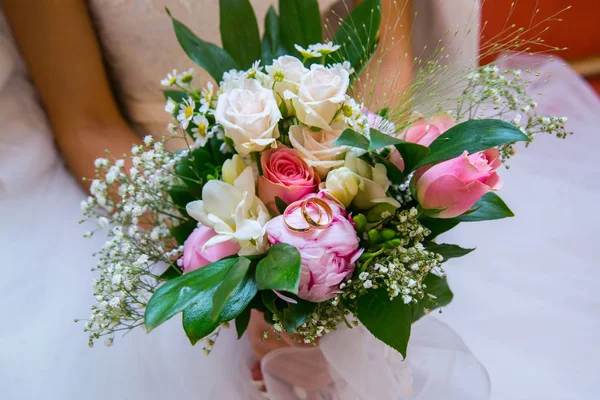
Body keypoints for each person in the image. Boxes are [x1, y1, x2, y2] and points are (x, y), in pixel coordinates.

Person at [0, 1, 486, 398]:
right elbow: (87, 124)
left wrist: (344, 253)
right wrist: (246, 284)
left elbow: (385, 54)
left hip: (346, 153)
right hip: (158, 188)